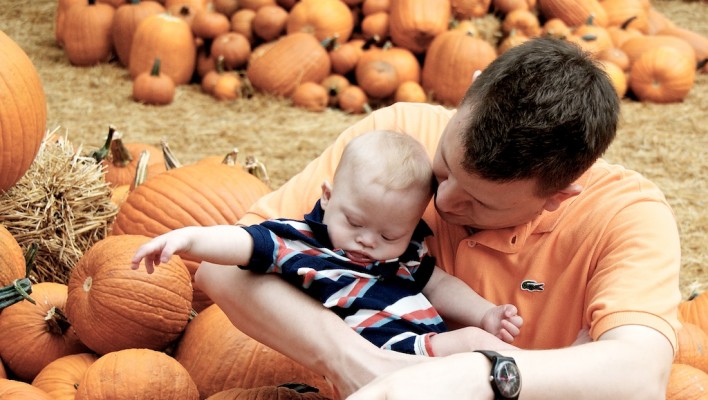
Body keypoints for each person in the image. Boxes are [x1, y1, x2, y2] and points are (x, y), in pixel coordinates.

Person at [194, 36, 682, 400]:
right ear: (470, 92)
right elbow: (223, 266)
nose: (443, 201)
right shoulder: (397, 138)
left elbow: (642, 373)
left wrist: (479, 373)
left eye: (480, 202)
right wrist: (356, 361)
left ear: (557, 196)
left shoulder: (628, 216)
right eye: (444, 167)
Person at [131, 130, 523, 357]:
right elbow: (242, 243)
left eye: (390, 235)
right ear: (328, 197)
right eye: (354, 222)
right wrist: (186, 239)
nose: (367, 241)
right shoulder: (303, 245)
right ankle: (544, 375)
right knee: (476, 346)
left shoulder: (406, 253)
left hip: (428, 349)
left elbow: (440, 285)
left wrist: (486, 313)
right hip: (393, 353)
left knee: (480, 341)